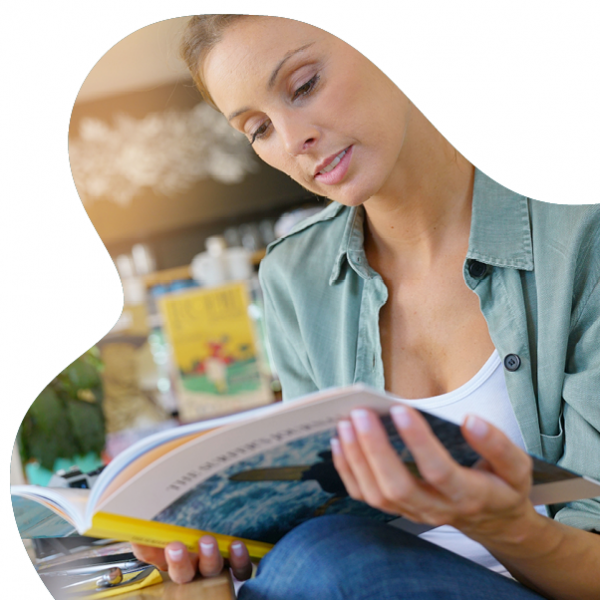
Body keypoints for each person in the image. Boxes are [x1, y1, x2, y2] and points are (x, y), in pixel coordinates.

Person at [132, 15, 600, 599]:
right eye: (257, 129)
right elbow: (313, 514)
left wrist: (503, 526)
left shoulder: (581, 226)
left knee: (333, 562)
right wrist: (231, 546)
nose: (292, 138)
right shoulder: (295, 278)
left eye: (303, 86)